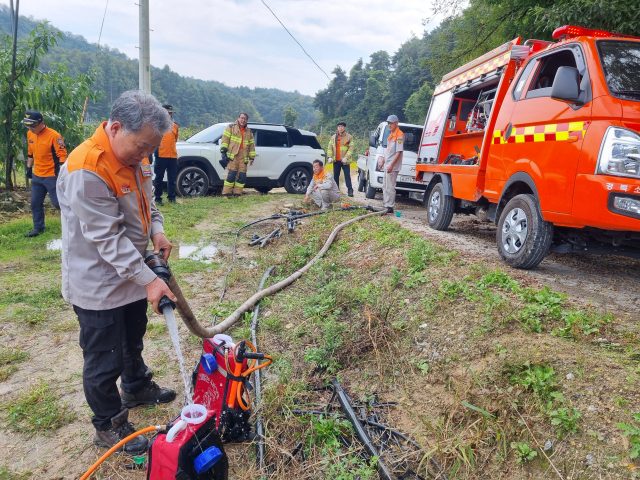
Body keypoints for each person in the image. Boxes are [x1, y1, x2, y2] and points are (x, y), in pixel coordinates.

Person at [57, 90, 178, 455]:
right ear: (114, 127)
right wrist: (152, 280)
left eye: (150, 150)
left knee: (131, 336)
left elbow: (148, 200)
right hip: (98, 282)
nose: (145, 156)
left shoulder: (137, 156)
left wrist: (156, 228)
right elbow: (107, 240)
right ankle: (109, 423)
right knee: (103, 356)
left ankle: (137, 385)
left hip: (131, 273)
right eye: (140, 147)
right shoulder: (87, 170)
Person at [22, 110, 67, 237]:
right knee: (35, 203)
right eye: (28, 126)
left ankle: (73, 223)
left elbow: (62, 156)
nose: (30, 128)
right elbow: (31, 152)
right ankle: (38, 228)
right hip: (37, 175)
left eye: (33, 125)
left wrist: (61, 175)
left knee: (58, 204)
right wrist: (28, 168)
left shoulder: (54, 136)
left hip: (52, 175)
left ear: (41, 123)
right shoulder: (30, 134)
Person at [220, 113, 255, 198]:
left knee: (242, 177)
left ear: (247, 120)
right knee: (231, 175)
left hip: (244, 156)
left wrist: (252, 158)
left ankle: (238, 194)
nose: (243, 120)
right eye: (242, 118)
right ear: (238, 118)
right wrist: (223, 152)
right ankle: (226, 194)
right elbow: (225, 139)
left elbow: (251, 145)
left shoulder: (249, 132)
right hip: (233, 156)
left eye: (245, 119)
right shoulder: (231, 127)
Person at [153, 104, 179, 206]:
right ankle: (158, 198)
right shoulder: (157, 126)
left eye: (171, 113)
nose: (170, 114)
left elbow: (175, 139)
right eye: (168, 113)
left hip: (172, 156)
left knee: (172, 179)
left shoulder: (175, 126)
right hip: (161, 155)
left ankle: (172, 197)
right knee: (159, 178)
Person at [378, 115, 404, 213]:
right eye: (388, 123)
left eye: (391, 123)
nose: (389, 125)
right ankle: (386, 204)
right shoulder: (391, 135)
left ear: (396, 123)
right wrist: (382, 162)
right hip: (387, 164)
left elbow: (399, 152)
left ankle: (390, 206)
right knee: (385, 186)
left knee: (390, 187)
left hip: (392, 166)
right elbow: (388, 152)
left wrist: (392, 165)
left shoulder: (399, 135)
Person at [326, 121, 354, 197]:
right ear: (337, 128)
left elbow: (351, 149)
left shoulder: (349, 137)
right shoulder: (333, 137)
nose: (340, 128)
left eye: (342, 126)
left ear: (345, 127)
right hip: (336, 161)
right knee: (336, 176)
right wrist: (330, 156)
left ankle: (350, 190)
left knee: (347, 176)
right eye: (339, 126)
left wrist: (346, 158)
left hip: (345, 161)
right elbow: (330, 148)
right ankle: (336, 191)